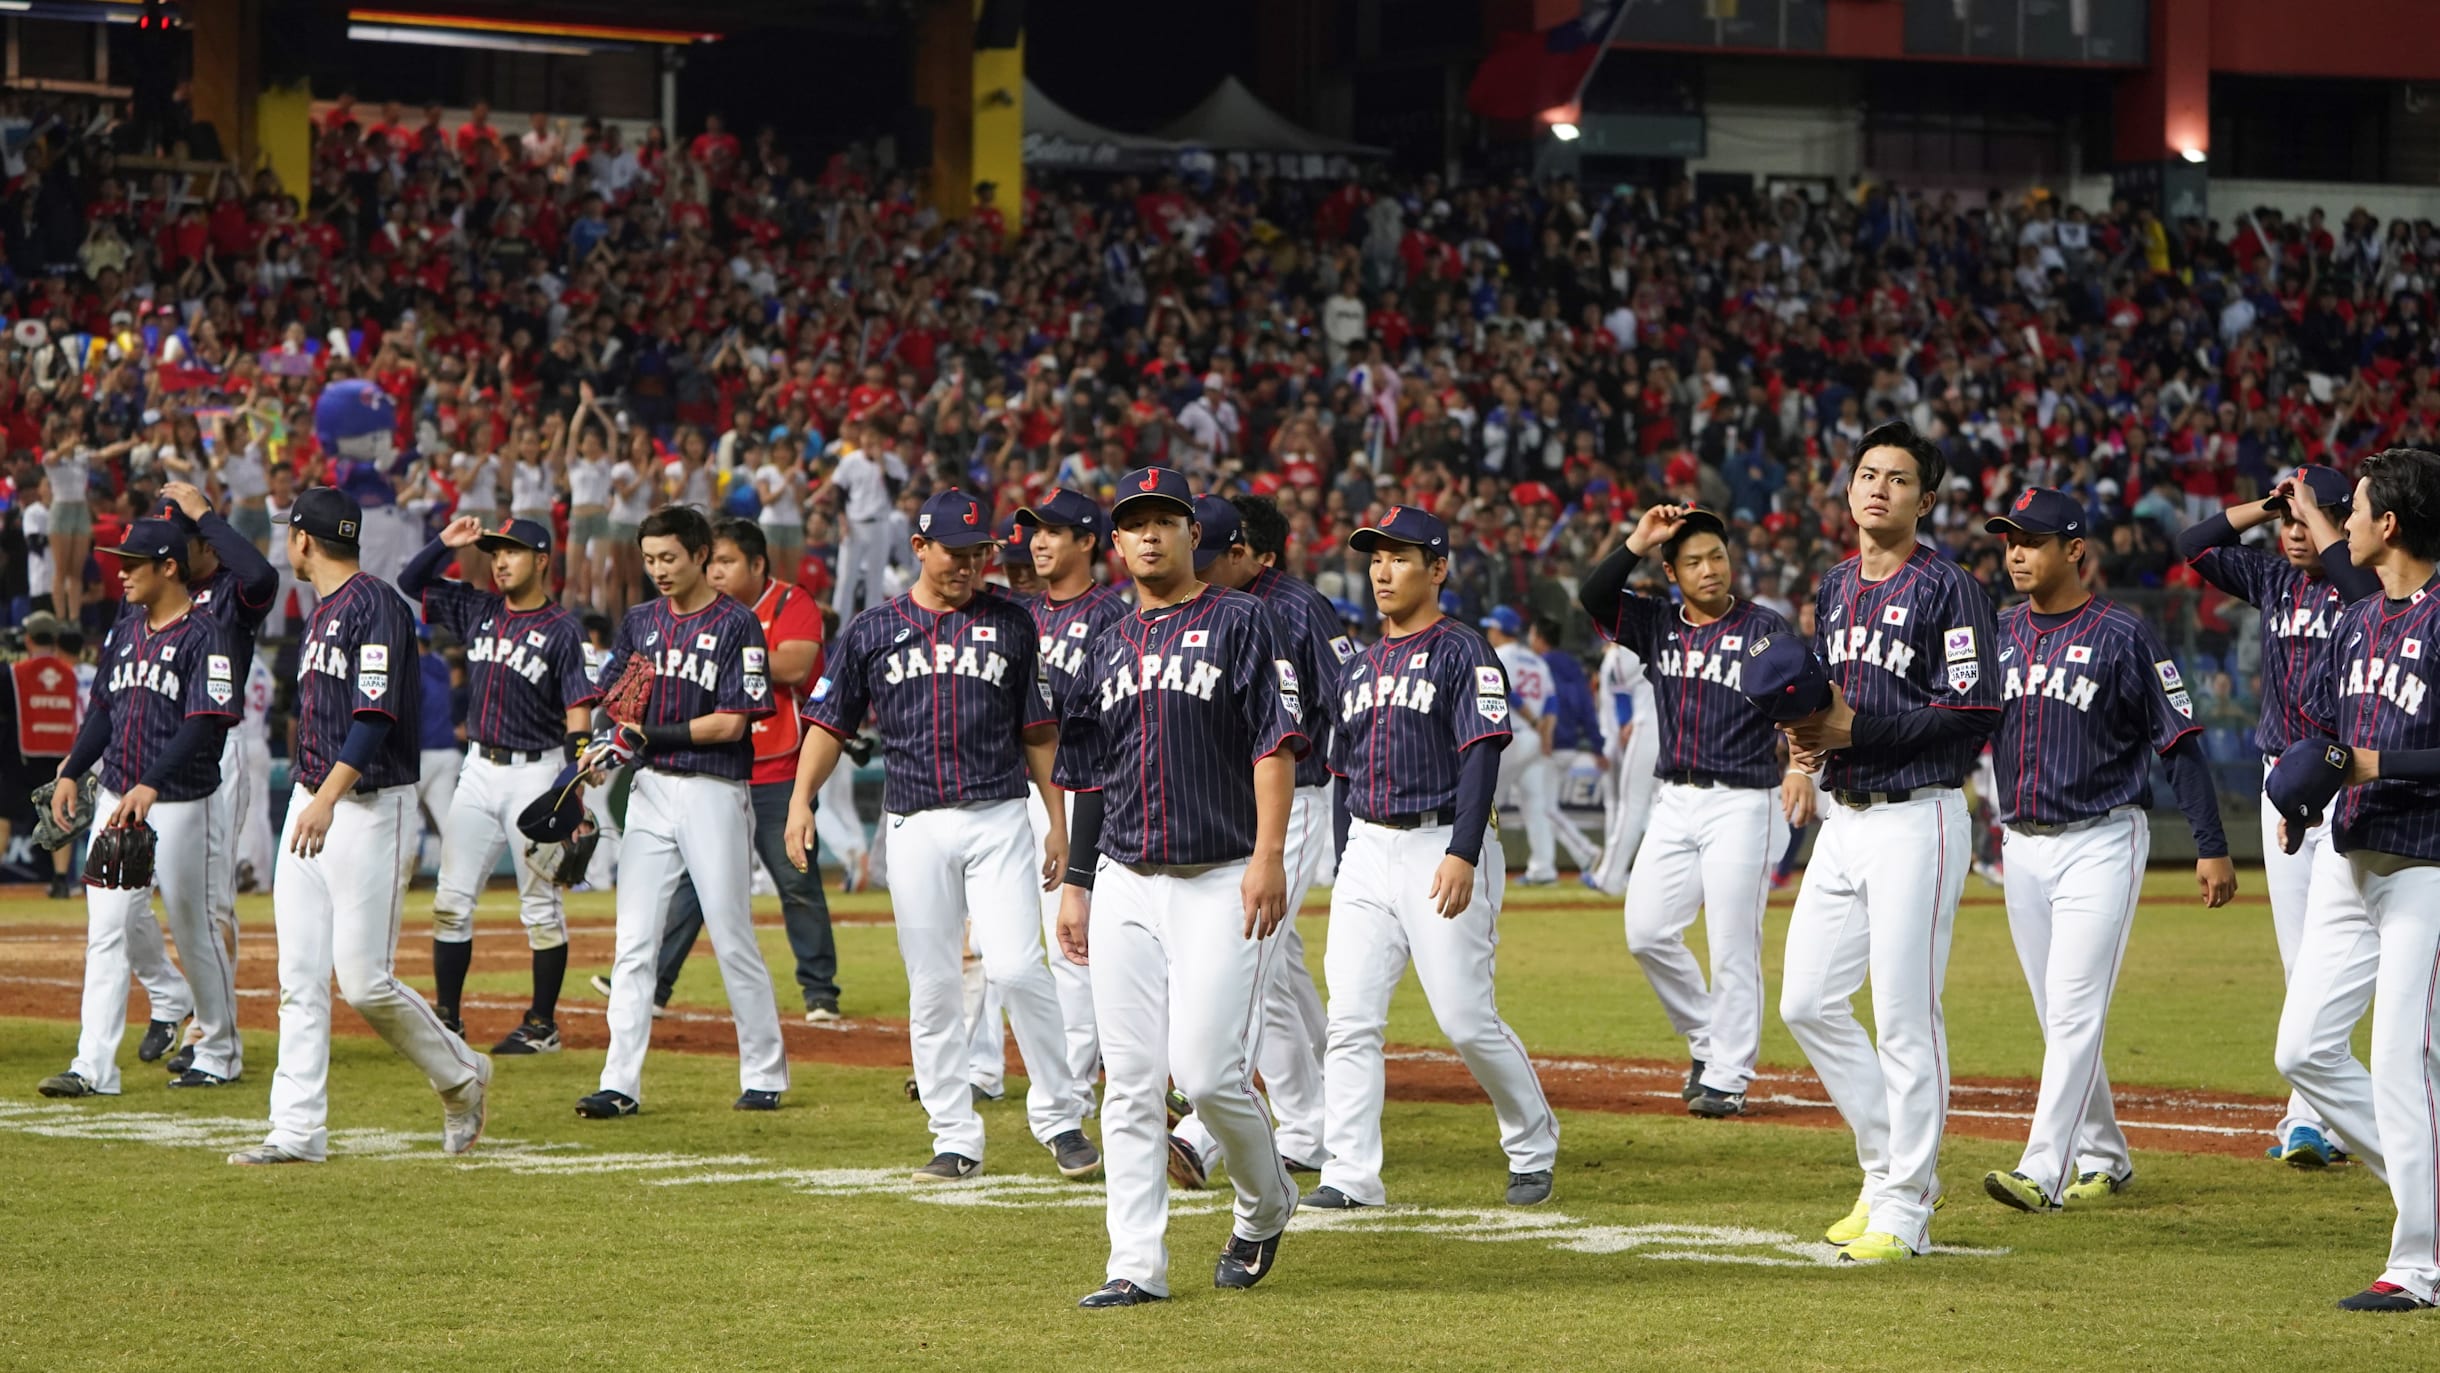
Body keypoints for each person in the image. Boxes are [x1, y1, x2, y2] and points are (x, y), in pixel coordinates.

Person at [784, 488, 1097, 1182]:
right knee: (932, 986)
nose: (968, 565)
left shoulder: (1012, 623)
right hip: (915, 821)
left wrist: (1057, 821)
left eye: (979, 553)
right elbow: (830, 722)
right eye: (955, 553)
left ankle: (1061, 1115)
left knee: (1017, 965)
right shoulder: (872, 629)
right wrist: (801, 800)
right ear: (919, 547)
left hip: (998, 813)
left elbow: (1039, 730)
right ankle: (954, 1134)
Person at [1052, 465, 1304, 1308]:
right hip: (1126, 876)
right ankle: (1135, 1263)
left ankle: (1267, 1202)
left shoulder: (1242, 620)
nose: (1150, 535)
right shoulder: (1104, 643)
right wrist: (1079, 884)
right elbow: (1088, 773)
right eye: (1135, 523)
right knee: (1127, 1080)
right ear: (1116, 542)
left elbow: (1275, 743)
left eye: (1166, 520)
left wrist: (1270, 853)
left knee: (1206, 1072)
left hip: (1222, 873)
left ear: (1196, 533)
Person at [1975, 488, 2237, 1215]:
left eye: (2030, 539)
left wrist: (2212, 845)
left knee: (2074, 1010)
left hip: (2102, 837)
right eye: (2008, 540)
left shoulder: (2124, 633)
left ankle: (2041, 1170)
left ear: (2075, 549)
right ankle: (2107, 1153)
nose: (2016, 552)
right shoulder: (1997, 632)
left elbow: (2180, 740)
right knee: (2057, 1011)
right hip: (2021, 845)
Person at [1774, 421, 2000, 1262]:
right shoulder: (1834, 584)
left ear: (1925, 500)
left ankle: (1906, 1202)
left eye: (1897, 479)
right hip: (1846, 815)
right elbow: (1827, 696)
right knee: (1805, 999)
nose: (1878, 488)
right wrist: (1807, 740)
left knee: (1906, 1015)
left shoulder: (1953, 587)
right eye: (1867, 474)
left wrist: (1852, 728)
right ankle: (1887, 1167)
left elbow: (1975, 711)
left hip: (1920, 814)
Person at [1306, 504, 1558, 1212]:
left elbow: (1481, 755)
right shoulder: (1358, 665)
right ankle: (1350, 1172)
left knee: (1464, 1017)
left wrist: (1462, 850)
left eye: (1401, 556)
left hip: (1441, 839)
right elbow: (1343, 771)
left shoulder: (1463, 650)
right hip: (1368, 846)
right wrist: (1345, 853)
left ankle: (1532, 1138)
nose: (1383, 569)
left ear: (1437, 567)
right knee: (1351, 1016)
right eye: (1376, 556)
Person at [230, 487, 491, 1165]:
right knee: (299, 976)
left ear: (302, 540)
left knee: (365, 981)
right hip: (316, 804)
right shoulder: (324, 612)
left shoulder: (372, 603)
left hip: (368, 806)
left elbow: (374, 714)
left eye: (288, 531)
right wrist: (313, 798)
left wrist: (325, 797)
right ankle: (296, 1130)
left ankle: (462, 1075)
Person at [2173, 464, 2380, 1166]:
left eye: (2309, 516)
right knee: (2301, 954)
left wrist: (2311, 523)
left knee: (2338, 951)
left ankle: (2325, 1112)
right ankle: (2313, 1116)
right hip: (2280, 784)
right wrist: (2263, 508)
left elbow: (2351, 578)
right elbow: (2193, 544)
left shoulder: (2370, 588)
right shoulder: (2275, 580)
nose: (2295, 531)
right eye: (2289, 520)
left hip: (2348, 783)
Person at [2276, 446, 2440, 1312]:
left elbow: (2371, 752)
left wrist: (2370, 761)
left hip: (2426, 862)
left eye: (2358, 505)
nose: (2343, 524)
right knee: (2300, 1049)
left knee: (2402, 1062)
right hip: (2349, 857)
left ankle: (2419, 1263)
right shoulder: (2357, 620)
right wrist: (2304, 801)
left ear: (2390, 524)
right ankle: (2433, 1194)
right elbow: (2337, 736)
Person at [1577, 503, 1795, 1118]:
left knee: (1732, 941)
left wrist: (1802, 769)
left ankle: (1728, 1074)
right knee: (1645, 930)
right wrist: (1638, 541)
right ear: (1671, 571)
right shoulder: (1655, 623)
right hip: (1673, 798)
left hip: (1745, 801)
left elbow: (1803, 706)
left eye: (1718, 557)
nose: (1709, 569)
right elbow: (1594, 596)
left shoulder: (1765, 629)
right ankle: (1706, 1036)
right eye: (1694, 561)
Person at [577, 505, 788, 1119]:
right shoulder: (641, 621)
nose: (658, 570)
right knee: (634, 941)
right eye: (649, 559)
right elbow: (617, 703)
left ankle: (765, 1071)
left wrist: (646, 736)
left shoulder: (736, 624)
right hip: (651, 792)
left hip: (714, 793)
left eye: (669, 557)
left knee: (730, 935)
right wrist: (603, 747)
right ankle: (620, 1082)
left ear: (700, 554)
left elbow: (732, 721)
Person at [1165, 493, 1343, 1181]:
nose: (1200, 572)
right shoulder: (1204, 608)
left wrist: (1354, 803)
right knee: (1281, 969)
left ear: (1244, 551)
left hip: (1295, 798)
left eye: (1211, 560)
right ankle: (1313, 1117)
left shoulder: (1297, 607)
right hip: (1234, 805)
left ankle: (1200, 1131)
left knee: (1252, 954)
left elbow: (1347, 698)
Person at [35, 518, 241, 1096]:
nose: (119, 571)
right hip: (117, 794)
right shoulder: (125, 628)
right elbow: (104, 708)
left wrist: (150, 784)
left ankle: (219, 1047)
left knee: (195, 929)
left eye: (132, 562)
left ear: (168, 567)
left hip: (182, 802)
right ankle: (93, 1067)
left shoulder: (208, 633)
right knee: (107, 929)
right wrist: (71, 769)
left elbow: (206, 721)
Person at [399, 516, 598, 1054]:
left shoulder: (564, 629)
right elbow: (410, 583)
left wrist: (573, 782)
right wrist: (445, 542)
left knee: (539, 907)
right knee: (451, 899)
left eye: (512, 551)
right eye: (494, 553)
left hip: (536, 771)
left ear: (540, 560)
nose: (500, 561)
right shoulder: (478, 608)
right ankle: (447, 1018)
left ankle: (541, 1024)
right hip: (478, 770)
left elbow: (579, 710)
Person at [648, 518, 842, 1023]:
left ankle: (820, 991)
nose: (715, 573)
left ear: (757, 564)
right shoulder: (702, 614)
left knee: (796, 880)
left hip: (781, 766)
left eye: (727, 562)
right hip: (720, 769)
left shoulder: (788, 602)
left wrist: (729, 655)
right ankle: (655, 985)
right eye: (711, 562)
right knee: (693, 881)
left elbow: (797, 666)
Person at [1010, 488, 1130, 1122]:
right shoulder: (1020, 615)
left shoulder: (1114, 616)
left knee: (1074, 949)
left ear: (1088, 541)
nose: (1039, 540)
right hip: (1018, 794)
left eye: (1054, 531)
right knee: (1011, 952)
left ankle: (1080, 1093)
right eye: (1034, 530)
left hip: (1088, 793)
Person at [153, 480, 277, 1075]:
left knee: (213, 903)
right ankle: (190, 1008)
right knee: (147, 902)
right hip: (157, 751)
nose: (170, 556)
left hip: (218, 746)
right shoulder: (157, 592)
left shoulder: (229, 589)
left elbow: (263, 578)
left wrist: (210, 515)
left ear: (206, 543)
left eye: (184, 540)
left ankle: (211, 1030)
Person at [1, 610, 81, 898]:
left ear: (28, 639)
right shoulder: (69, 673)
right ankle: (60, 880)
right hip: (60, 757)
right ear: (55, 639)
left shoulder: (14, 673)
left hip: (20, 756)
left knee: (3, 817)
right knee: (58, 816)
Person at [1480, 605, 1557, 882]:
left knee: (1485, 799)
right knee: (1536, 805)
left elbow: (1508, 693)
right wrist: (1545, 735)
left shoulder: (1499, 655)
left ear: (1500, 630)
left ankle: (1479, 863)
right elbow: (1551, 702)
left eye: (1492, 627)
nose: (1489, 631)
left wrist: (1535, 723)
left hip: (1511, 736)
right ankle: (1543, 869)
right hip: (1533, 740)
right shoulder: (1536, 660)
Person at [1527, 615, 1604, 879]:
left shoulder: (1537, 666)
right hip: (1571, 743)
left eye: (1532, 634)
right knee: (1543, 806)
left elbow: (1547, 705)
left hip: (1550, 743)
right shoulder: (1572, 665)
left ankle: (1587, 852)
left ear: (1539, 638)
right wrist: (1596, 744)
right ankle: (1544, 866)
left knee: (1544, 808)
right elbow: (1585, 706)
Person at [1586, 627, 1657, 896]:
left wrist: (1616, 736)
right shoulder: (1675, 643)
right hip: (1670, 731)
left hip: (1637, 731)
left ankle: (1610, 876)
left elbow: (1620, 700)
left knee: (1629, 806)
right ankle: (1653, 874)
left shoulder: (1623, 652)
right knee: (1659, 807)